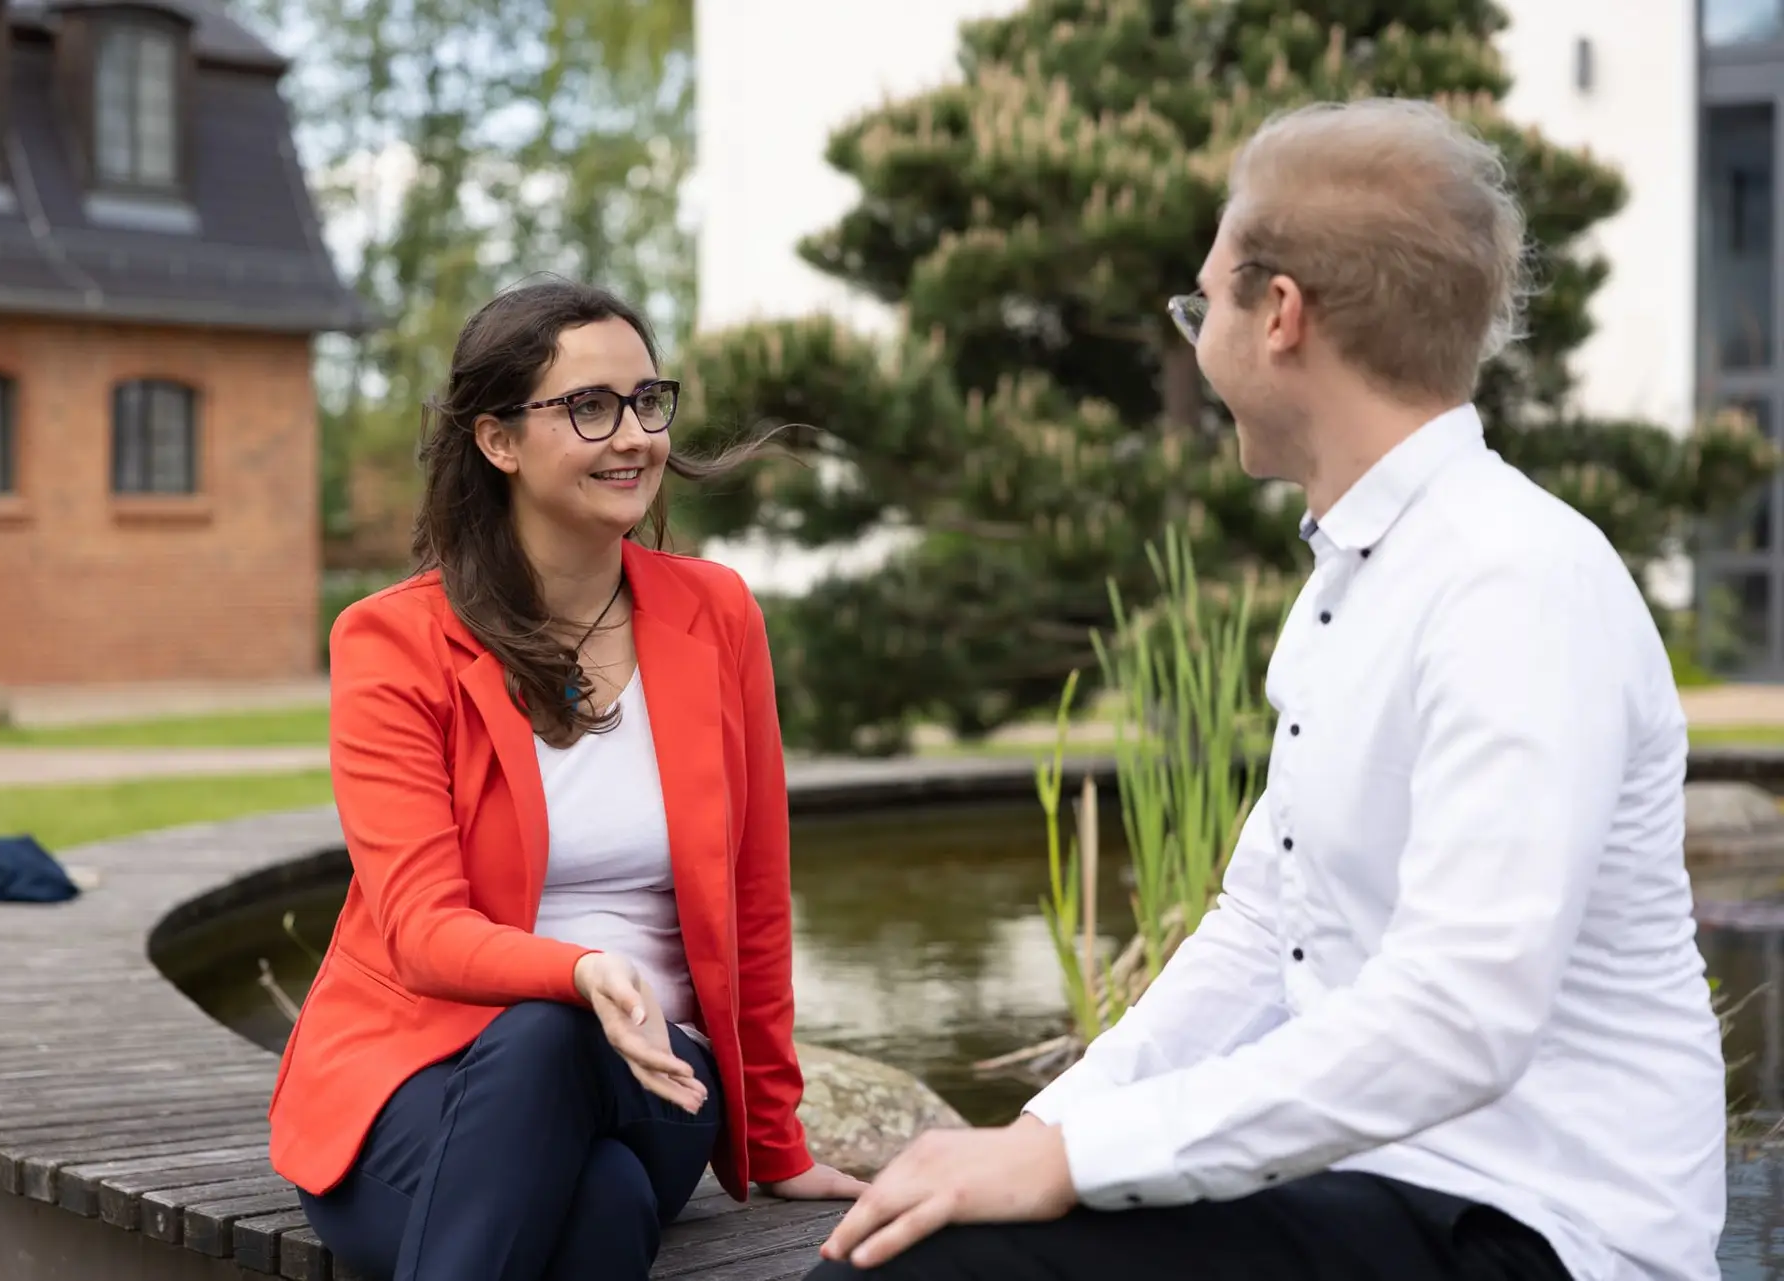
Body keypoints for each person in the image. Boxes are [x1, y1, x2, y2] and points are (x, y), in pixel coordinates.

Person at [809, 98, 1727, 1281]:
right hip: (1378, 1186)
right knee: (922, 1241)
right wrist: (1042, 1136)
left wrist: (1077, 1166)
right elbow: (1258, 934)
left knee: (932, 1272)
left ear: (1280, 314)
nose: (1199, 340)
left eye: (1204, 306)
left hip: (1534, 1228)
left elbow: (1458, 1018)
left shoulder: (1517, 585)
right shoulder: (1357, 577)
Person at [269, 277, 866, 1281]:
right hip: (416, 1077)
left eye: (648, 401)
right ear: (499, 441)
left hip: (657, 1082)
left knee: (557, 1047)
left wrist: (778, 1140)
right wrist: (580, 972)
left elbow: (756, 897)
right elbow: (418, 927)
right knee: (602, 1199)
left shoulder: (717, 616)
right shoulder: (392, 642)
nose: (633, 434)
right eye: (590, 407)